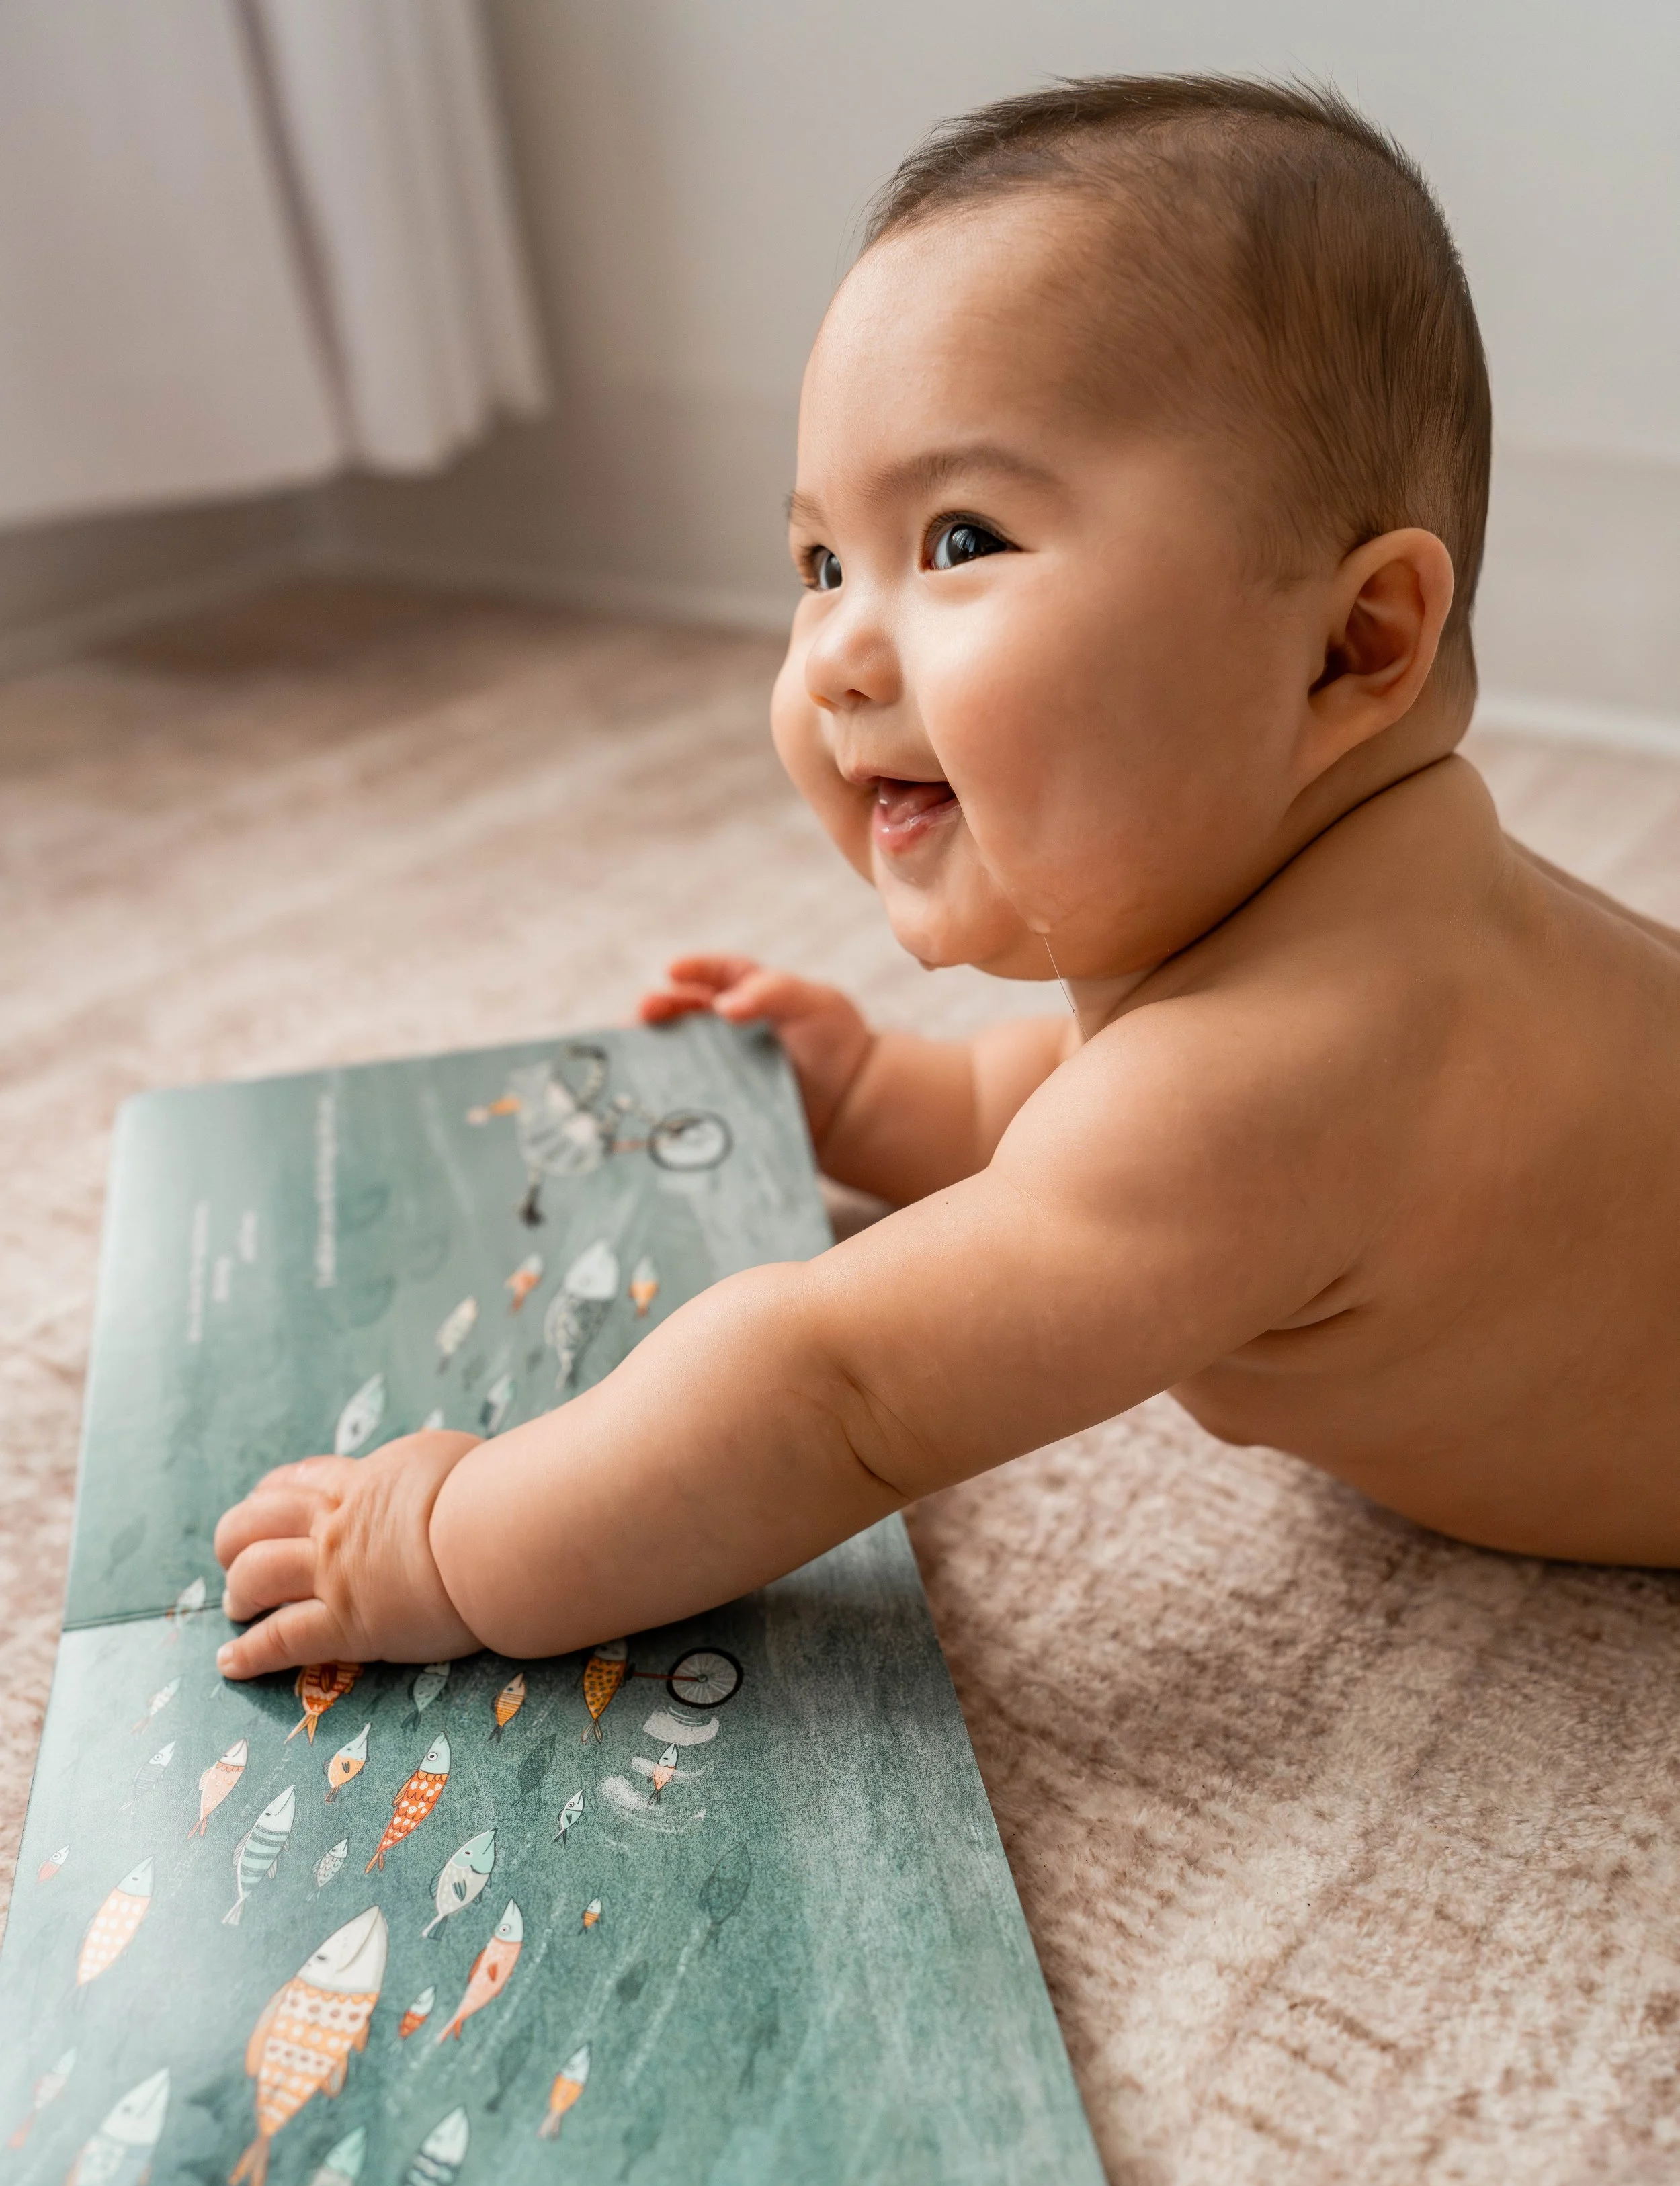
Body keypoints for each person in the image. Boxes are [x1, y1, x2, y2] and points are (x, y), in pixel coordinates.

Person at [214, 75, 1680, 1680]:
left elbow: (835, 1391)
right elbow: (1069, 1106)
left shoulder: (1284, 1073)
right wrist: (886, 1098)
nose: (837, 650)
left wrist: (451, 1540)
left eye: (961, 541)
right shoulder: (1319, 936)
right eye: (821, 563)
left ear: (1351, 644)